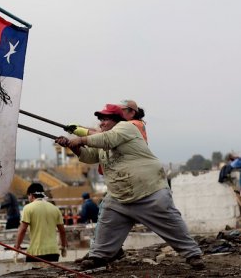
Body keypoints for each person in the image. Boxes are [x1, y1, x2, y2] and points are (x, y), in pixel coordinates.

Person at [55, 104, 205, 270]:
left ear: (116, 120)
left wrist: (80, 138)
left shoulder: (126, 127)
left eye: (105, 119)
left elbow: (106, 139)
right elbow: (90, 156)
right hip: (120, 198)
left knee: (172, 226)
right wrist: (74, 147)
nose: (101, 123)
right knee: (106, 226)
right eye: (100, 120)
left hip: (149, 192)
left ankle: (193, 255)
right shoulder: (104, 142)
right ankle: (99, 256)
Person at [14, 183, 68, 262]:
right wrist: (63, 247)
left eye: (28, 196)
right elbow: (62, 231)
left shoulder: (28, 208)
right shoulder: (55, 209)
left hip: (36, 252)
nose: (28, 198)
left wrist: (17, 247)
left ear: (31, 195)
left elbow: (23, 230)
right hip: (53, 252)